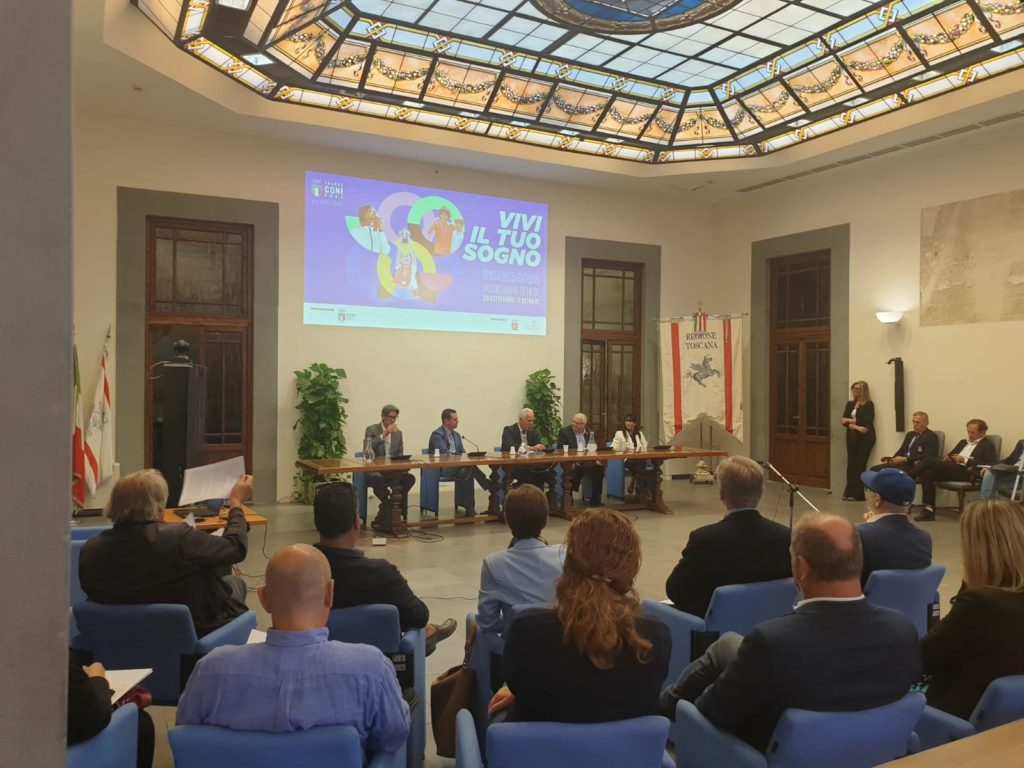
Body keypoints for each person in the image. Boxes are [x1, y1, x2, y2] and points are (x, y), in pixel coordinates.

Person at [659, 513, 921, 751]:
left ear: (801, 568)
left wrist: (690, 709)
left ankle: (663, 706)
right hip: (872, 752)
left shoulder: (773, 641)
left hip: (763, 754)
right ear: (858, 560)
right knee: (727, 645)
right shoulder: (902, 629)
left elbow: (715, 711)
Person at [176, 544, 410, 753]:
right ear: (330, 593)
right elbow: (392, 738)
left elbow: (189, 737)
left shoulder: (210, 670)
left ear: (264, 598)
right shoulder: (371, 669)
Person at [488, 508, 670, 723]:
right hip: (626, 746)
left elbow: (519, 683)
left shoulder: (528, 630)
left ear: (568, 562)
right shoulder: (655, 638)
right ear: (631, 569)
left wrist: (520, 692)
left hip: (542, 744)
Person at [80, 469, 251, 636]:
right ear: (158, 506)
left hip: (114, 639)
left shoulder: (90, 550)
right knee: (235, 583)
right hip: (185, 637)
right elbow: (235, 547)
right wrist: (236, 504)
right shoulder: (179, 538)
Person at [312, 481, 457, 656]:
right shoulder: (381, 574)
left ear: (317, 522)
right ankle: (428, 632)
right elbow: (419, 615)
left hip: (316, 657)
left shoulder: (299, 573)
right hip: (379, 661)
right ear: (357, 522)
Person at [920, 499, 1024, 718]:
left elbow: (922, 659)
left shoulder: (980, 604)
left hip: (948, 720)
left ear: (977, 551)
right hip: (1008, 721)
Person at [664, 456, 791, 617]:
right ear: (761, 491)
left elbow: (675, 590)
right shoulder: (785, 536)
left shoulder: (705, 539)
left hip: (714, 627)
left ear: (722, 492)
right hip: (771, 622)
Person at [477, 485, 565, 637]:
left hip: (514, 644)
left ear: (506, 519)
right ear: (546, 520)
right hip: (561, 643)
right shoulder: (565, 555)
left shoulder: (493, 564)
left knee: (473, 623)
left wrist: (512, 622)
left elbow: (488, 623)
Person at [68, 650, 155, 768]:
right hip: (68, 747)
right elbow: (93, 715)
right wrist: (98, 678)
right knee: (142, 721)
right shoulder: (55, 657)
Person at [909, 419, 997, 522]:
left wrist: (964, 460)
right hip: (953, 469)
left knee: (928, 460)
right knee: (927, 472)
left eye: (973, 432)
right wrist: (948, 458)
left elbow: (988, 464)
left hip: (967, 472)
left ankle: (908, 477)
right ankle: (929, 510)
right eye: (968, 431)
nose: (969, 435)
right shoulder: (963, 442)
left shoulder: (987, 445)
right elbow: (951, 454)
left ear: (982, 432)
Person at [857, 468, 932, 585]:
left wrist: (869, 527)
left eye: (868, 491)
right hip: (909, 596)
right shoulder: (924, 538)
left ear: (877, 500)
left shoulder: (860, 535)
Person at [428, 408, 490, 516]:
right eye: (455, 419)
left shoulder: (456, 435)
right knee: (469, 468)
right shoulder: (437, 435)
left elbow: (463, 453)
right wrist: (459, 458)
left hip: (458, 467)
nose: (458, 421)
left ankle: (470, 508)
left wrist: (468, 457)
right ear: (446, 421)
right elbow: (444, 454)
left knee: (468, 471)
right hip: (443, 468)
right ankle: (488, 485)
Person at [363, 404, 415, 526]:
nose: (393, 420)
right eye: (390, 417)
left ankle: (390, 507)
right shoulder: (371, 429)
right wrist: (383, 434)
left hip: (392, 470)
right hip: (376, 469)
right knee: (376, 478)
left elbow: (400, 454)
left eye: (395, 417)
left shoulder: (398, 433)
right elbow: (367, 448)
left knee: (409, 479)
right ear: (383, 416)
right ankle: (389, 506)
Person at [555, 413, 604, 506]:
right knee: (575, 468)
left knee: (599, 468)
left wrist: (595, 459)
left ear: (584, 424)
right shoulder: (564, 432)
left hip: (586, 461)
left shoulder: (589, 433)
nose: (574, 424)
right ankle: (569, 498)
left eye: (578, 423)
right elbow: (560, 449)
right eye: (573, 422)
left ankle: (595, 500)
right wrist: (573, 460)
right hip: (571, 461)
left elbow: (593, 449)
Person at [870, 411, 940, 472]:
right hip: (900, 463)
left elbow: (928, 457)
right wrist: (893, 459)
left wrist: (906, 459)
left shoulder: (931, 436)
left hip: (912, 465)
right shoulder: (910, 434)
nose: (914, 424)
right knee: (873, 469)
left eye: (917, 422)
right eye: (913, 422)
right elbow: (901, 450)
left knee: (890, 474)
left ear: (926, 423)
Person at [840, 381, 875, 501]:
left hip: (866, 438)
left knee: (860, 465)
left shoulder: (868, 404)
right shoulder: (850, 404)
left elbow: (867, 422)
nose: (856, 391)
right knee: (851, 464)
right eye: (854, 388)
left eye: (859, 389)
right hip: (852, 437)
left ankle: (858, 494)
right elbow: (843, 420)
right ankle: (849, 492)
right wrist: (856, 426)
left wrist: (851, 421)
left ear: (864, 391)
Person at [500, 408, 547, 489]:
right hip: (515, 464)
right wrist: (531, 448)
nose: (531, 423)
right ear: (520, 420)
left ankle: (537, 495)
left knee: (544, 471)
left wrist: (540, 447)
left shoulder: (532, 431)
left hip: (532, 464)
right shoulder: (509, 430)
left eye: (532, 421)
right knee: (530, 475)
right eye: (529, 420)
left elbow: (538, 444)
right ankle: (524, 493)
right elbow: (508, 445)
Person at [612, 414, 652, 501]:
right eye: (626, 421)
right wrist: (626, 449)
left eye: (630, 421)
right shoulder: (620, 433)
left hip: (639, 457)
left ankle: (635, 480)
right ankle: (646, 489)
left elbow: (644, 446)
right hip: (627, 459)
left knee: (641, 462)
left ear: (635, 423)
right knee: (640, 467)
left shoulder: (639, 434)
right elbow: (615, 447)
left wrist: (640, 449)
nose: (628, 423)